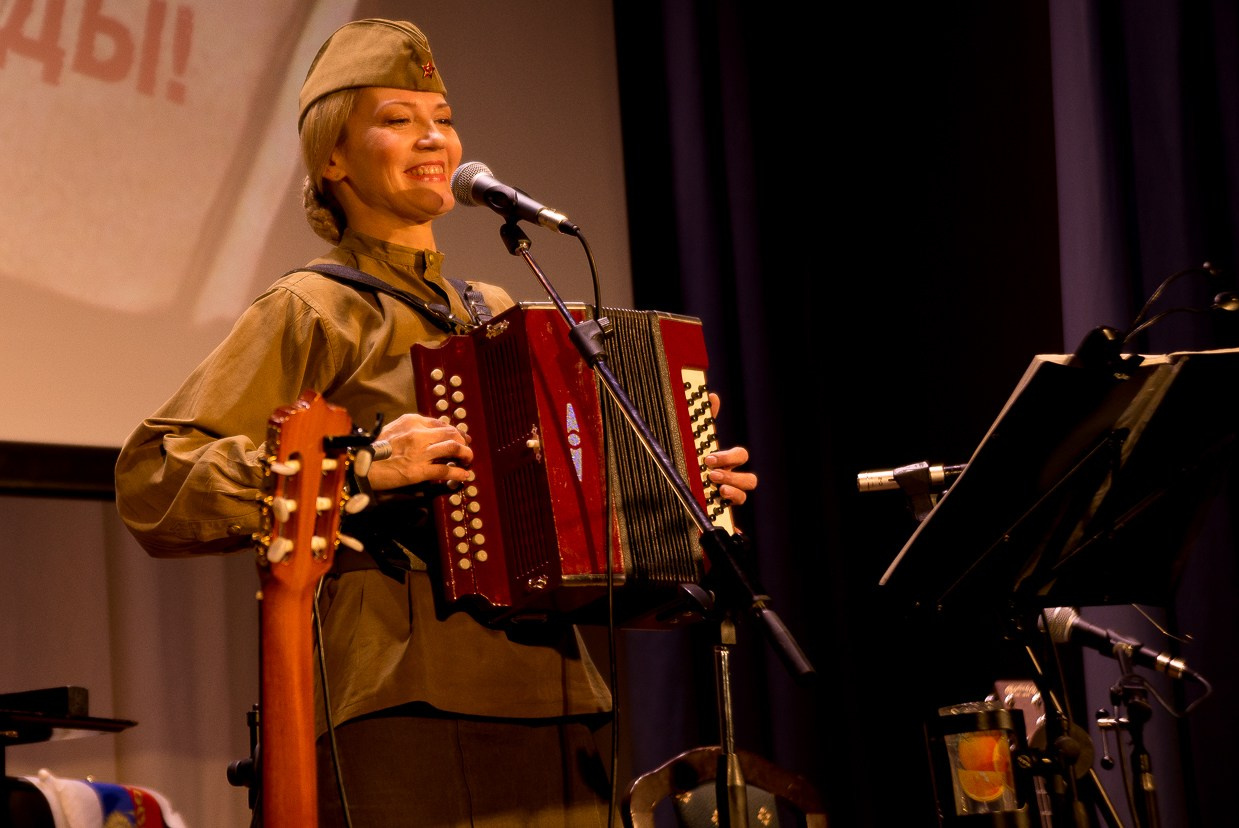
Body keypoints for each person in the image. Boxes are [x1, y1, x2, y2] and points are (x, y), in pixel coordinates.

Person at [113, 18, 757, 828]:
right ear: (333, 159)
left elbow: (573, 523)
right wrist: (358, 469)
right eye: (396, 118)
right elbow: (153, 476)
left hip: (558, 696)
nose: (433, 137)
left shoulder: (503, 311)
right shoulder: (316, 307)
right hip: (402, 702)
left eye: (443, 119)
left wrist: (681, 499)